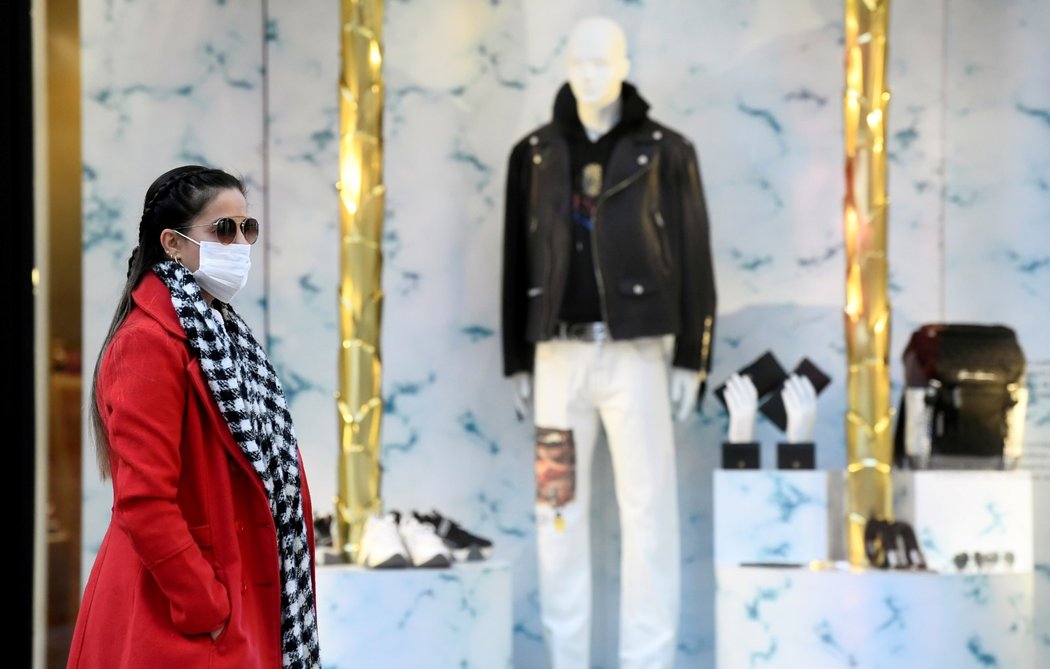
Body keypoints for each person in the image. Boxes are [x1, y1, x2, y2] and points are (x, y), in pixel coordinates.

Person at [501, 16, 717, 669]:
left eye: (600, 61)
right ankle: (567, 658)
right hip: (557, 360)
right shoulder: (534, 153)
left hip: (638, 356)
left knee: (649, 514)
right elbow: (516, 259)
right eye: (576, 60)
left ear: (624, 63)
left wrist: (691, 356)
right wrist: (518, 356)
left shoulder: (667, 151)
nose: (587, 73)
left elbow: (694, 255)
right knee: (557, 512)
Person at [67, 165, 321, 669]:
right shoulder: (147, 343)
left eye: (247, 228)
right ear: (174, 244)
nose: (241, 243)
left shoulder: (222, 336)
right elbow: (144, 502)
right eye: (223, 229)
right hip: (175, 615)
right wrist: (206, 604)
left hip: (231, 599)